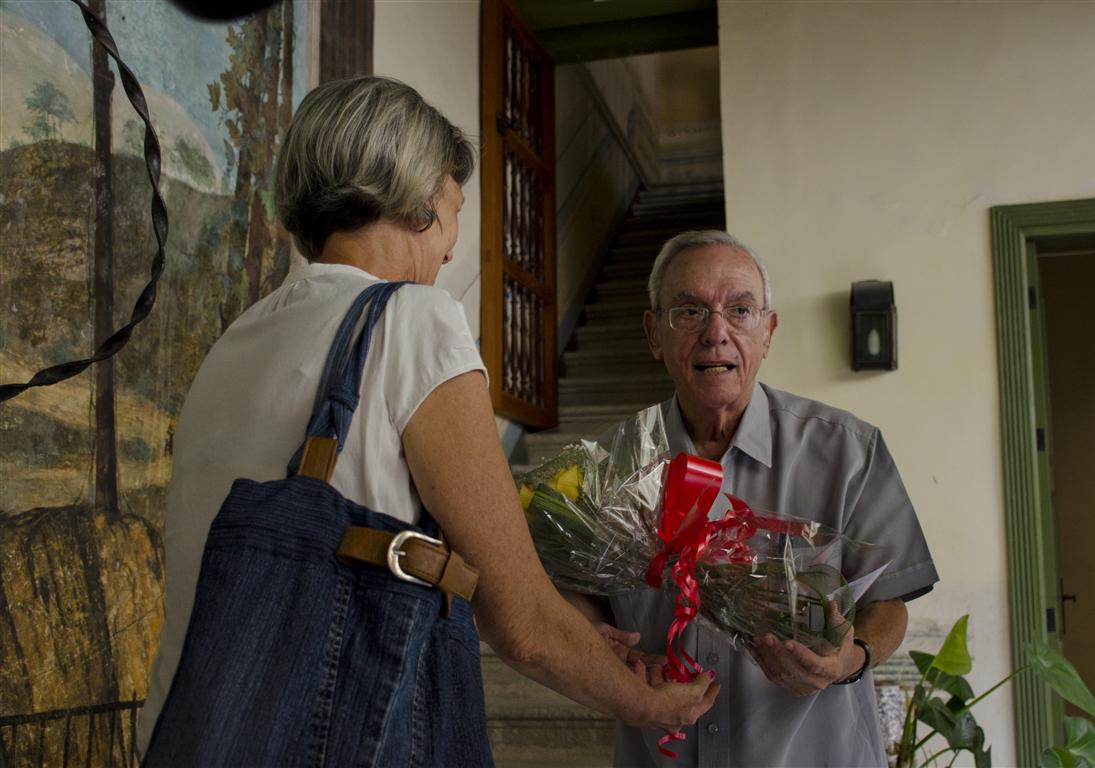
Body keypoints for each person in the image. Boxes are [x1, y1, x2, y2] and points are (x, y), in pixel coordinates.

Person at [136, 76, 718, 762]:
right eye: (454, 207)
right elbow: (521, 623)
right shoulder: (413, 319)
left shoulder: (235, 343)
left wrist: (578, 633)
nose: (450, 248)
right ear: (414, 200)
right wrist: (644, 704)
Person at [566, 230, 938, 767]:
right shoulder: (606, 467)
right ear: (653, 334)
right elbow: (580, 597)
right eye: (689, 311)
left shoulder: (847, 451)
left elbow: (890, 603)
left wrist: (850, 659)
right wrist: (596, 642)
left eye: (739, 310)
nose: (716, 333)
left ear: (768, 332)